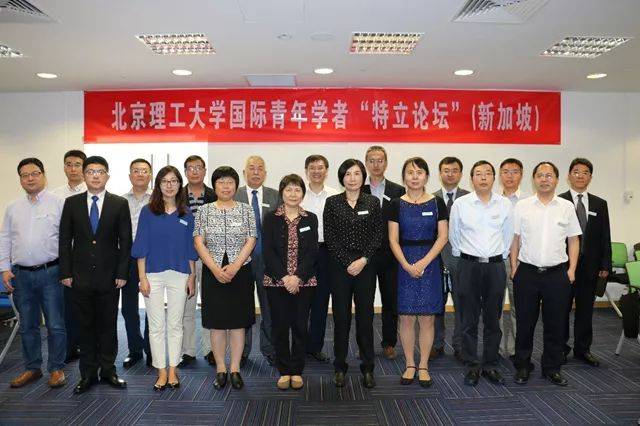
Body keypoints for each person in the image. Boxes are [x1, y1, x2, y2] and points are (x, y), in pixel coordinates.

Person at [58, 155, 132, 394]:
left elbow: (125, 241)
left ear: (107, 176)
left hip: (109, 277)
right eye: (90, 171)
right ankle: (87, 374)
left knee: (108, 326)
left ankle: (109, 371)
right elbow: (64, 240)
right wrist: (65, 272)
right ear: (84, 175)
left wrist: (122, 272)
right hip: (79, 277)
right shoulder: (71, 203)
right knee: (85, 327)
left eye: (100, 171)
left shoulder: (119, 203)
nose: (95, 176)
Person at [511, 162, 581, 387]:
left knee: (556, 323)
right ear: (534, 179)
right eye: (540, 175)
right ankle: (523, 365)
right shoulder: (522, 206)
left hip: (557, 275)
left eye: (549, 175)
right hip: (527, 273)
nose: (544, 179)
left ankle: (552, 368)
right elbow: (515, 239)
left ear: (557, 180)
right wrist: (514, 267)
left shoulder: (566, 207)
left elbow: (574, 240)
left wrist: (571, 270)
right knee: (525, 323)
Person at [1, 158, 67, 389]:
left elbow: (68, 239)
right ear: (20, 179)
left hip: (51, 273)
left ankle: (56, 368)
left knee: (55, 324)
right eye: (24, 175)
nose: (30, 178)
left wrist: (67, 270)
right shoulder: (12, 207)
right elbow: (5, 239)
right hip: (21, 276)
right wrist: (5, 268)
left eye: (34, 173)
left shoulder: (58, 203)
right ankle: (32, 368)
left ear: (43, 175)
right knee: (27, 325)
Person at [449, 161, 514, 386]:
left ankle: (490, 364)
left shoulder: (504, 204)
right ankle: (471, 365)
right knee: (468, 319)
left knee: (493, 319)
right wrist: (467, 257)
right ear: (472, 179)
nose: (483, 177)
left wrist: (498, 257)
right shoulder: (461, 204)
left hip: (495, 267)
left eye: (487, 173)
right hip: (468, 266)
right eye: (478, 174)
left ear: (494, 178)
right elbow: (454, 236)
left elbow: (508, 236)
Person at [133, 166, 197, 391]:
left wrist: (192, 277)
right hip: (153, 274)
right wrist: (142, 277)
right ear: (158, 185)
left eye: (174, 181)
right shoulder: (148, 212)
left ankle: (173, 370)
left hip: (180, 273)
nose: (169, 185)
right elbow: (141, 245)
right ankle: (161, 370)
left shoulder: (186, 214)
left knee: (176, 324)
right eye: (165, 181)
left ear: (180, 185)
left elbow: (190, 248)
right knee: (156, 325)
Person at [194, 166, 257, 390]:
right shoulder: (204, 211)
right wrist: (214, 268)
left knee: (238, 323)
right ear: (215, 185)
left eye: (230, 182)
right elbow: (198, 241)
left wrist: (236, 266)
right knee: (217, 324)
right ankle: (221, 368)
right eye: (221, 182)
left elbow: (251, 239)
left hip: (241, 271)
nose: (226, 186)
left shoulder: (246, 209)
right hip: (213, 272)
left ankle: (235, 368)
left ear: (236, 186)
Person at [388, 157, 448, 388]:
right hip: (403, 263)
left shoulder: (437, 203)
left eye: (419, 172)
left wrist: (424, 262)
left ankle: (423, 365)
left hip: (430, 263)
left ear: (427, 177)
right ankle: (410, 364)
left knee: (427, 318)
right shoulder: (396, 204)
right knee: (405, 317)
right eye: (410, 172)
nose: (415, 177)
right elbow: (393, 239)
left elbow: (443, 236)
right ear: (404, 177)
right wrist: (406, 264)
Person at [324, 159, 382, 389]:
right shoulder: (332, 203)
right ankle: (340, 366)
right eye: (348, 174)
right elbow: (330, 237)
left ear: (363, 177)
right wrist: (348, 262)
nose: (352, 178)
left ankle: (367, 367)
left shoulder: (372, 202)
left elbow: (378, 235)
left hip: (366, 266)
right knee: (341, 319)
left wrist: (363, 260)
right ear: (342, 178)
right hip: (340, 267)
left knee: (366, 319)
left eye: (357, 173)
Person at [263, 174, 319, 390]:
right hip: (276, 282)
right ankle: (284, 370)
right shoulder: (271, 218)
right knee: (279, 326)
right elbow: (268, 251)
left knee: (300, 326)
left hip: (304, 283)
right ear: (282, 193)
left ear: (302, 194)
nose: (293, 194)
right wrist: (285, 277)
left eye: (297, 190)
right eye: (288, 190)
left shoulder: (310, 218)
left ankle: (296, 370)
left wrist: (298, 277)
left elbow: (313, 252)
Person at [559, 158, 611, 367]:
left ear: (590, 177)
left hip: (590, 267)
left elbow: (605, 235)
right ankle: (561, 349)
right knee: (561, 309)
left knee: (586, 310)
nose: (580, 176)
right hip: (563, 266)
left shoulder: (600, 203)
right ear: (569, 175)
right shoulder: (559, 201)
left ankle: (583, 349)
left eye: (585, 172)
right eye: (576, 171)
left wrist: (605, 264)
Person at [235, 155, 279, 366]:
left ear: (265, 173)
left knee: (269, 308)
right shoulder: (234, 195)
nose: (255, 172)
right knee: (243, 308)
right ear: (244, 173)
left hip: (268, 262)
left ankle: (269, 349)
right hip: (241, 263)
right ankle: (242, 351)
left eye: (260, 168)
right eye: (251, 168)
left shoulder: (275, 195)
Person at [363, 146, 405, 360]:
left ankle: (389, 342)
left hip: (390, 254)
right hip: (366, 256)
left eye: (380, 160)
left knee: (390, 301)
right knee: (365, 302)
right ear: (366, 163)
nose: (376, 164)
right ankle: (365, 344)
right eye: (371, 160)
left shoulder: (398, 190)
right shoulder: (359, 188)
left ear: (386, 163)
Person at [300, 155, 339, 362]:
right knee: (299, 301)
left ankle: (315, 346)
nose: (316, 171)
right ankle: (298, 345)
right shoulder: (298, 194)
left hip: (327, 251)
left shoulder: (335, 195)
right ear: (306, 171)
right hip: (301, 252)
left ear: (326, 170)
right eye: (312, 168)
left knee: (321, 301)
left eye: (320, 167)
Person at [180, 155, 216, 367]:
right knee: (186, 305)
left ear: (204, 170)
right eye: (190, 168)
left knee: (210, 305)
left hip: (210, 256)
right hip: (185, 257)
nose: (194, 171)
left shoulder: (214, 195)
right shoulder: (177, 195)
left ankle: (211, 350)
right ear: (185, 172)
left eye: (198, 167)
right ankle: (188, 350)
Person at [51, 149, 87, 363]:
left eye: (77, 165)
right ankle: (71, 347)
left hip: (88, 259)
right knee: (67, 306)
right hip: (65, 258)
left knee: (87, 304)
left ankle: (87, 345)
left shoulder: (94, 192)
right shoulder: (55, 196)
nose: (72, 169)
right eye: (68, 164)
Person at [432, 157, 469, 361]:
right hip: (436, 260)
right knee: (437, 305)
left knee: (462, 305)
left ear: (460, 174)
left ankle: (460, 345)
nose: (450, 174)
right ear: (440, 173)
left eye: (455, 170)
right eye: (446, 170)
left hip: (462, 260)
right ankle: (436, 344)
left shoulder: (469, 198)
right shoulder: (431, 198)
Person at [121, 158, 153, 369]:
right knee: (128, 308)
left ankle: (151, 351)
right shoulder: (119, 201)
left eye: (144, 171)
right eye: (136, 170)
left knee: (152, 306)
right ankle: (135, 350)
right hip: (126, 258)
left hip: (152, 258)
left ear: (150, 175)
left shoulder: (158, 200)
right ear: (130, 175)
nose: (140, 174)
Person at [498, 158, 527, 359]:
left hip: (521, 262)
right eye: (506, 171)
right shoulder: (493, 201)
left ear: (521, 175)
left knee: (520, 307)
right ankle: (498, 348)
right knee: (495, 308)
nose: (510, 176)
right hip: (497, 262)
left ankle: (518, 349)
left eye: (515, 171)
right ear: (500, 175)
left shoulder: (528, 202)